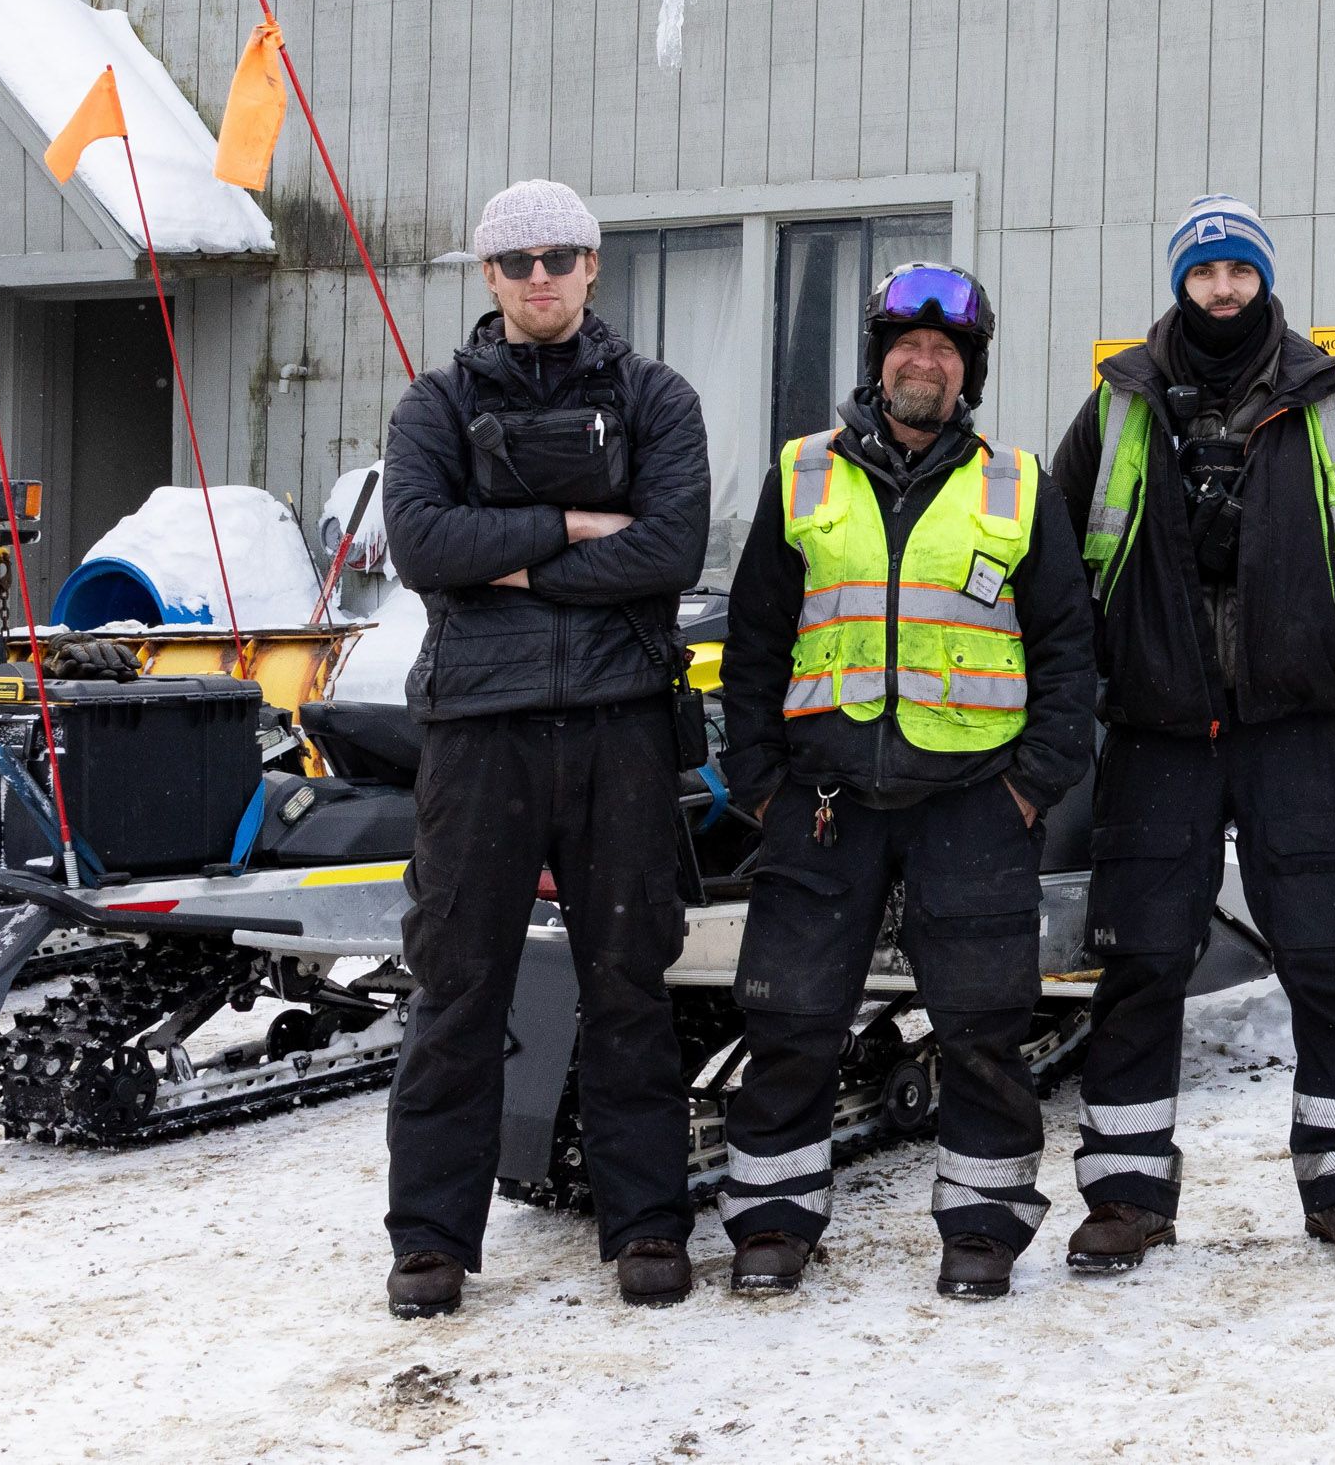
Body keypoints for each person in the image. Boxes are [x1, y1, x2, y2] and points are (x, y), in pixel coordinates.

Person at [715, 263, 1096, 1301]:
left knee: (980, 1027)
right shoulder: (801, 473)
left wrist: (1031, 786)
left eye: (943, 350)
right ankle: (772, 1220)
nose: (922, 362)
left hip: (973, 801)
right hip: (822, 800)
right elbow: (753, 644)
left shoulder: (1018, 487)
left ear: (967, 371)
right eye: (904, 347)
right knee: (789, 1020)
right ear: (877, 362)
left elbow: (1069, 654)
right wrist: (758, 782)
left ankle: (982, 1225)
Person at [1049, 194, 1335, 1275]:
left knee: (1331, 956)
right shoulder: (1118, 400)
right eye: (1203, 272)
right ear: (1180, 283)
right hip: (1158, 728)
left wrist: (1330, 645)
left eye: (1237, 271)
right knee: (1140, 962)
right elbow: (1063, 551)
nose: (1221, 289)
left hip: (1294, 725)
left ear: (1262, 278)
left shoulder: (1328, 396)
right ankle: (1124, 1195)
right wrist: (1118, 659)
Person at [381, 179, 711, 1317]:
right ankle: (429, 1237)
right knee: (458, 983)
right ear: (487, 277)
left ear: (592, 266)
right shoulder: (433, 405)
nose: (538, 277)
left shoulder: (657, 397)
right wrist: (573, 527)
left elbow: (669, 546)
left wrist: (503, 560)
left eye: (559, 256)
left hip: (621, 725)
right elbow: (422, 540)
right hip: (479, 732)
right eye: (515, 260)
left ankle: (647, 1224)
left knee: (629, 984)